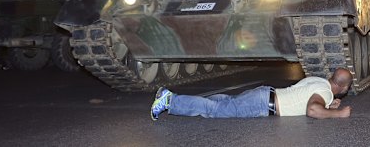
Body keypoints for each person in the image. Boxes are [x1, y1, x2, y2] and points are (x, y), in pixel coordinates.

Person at [150, 67, 353, 121]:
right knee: (215, 110)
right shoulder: (325, 92)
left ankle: (170, 97)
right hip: (262, 104)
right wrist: (338, 113)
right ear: (343, 88)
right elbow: (312, 109)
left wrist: (328, 105)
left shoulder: (320, 82)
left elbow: (306, 97)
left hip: (265, 94)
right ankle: (170, 100)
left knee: (223, 102)